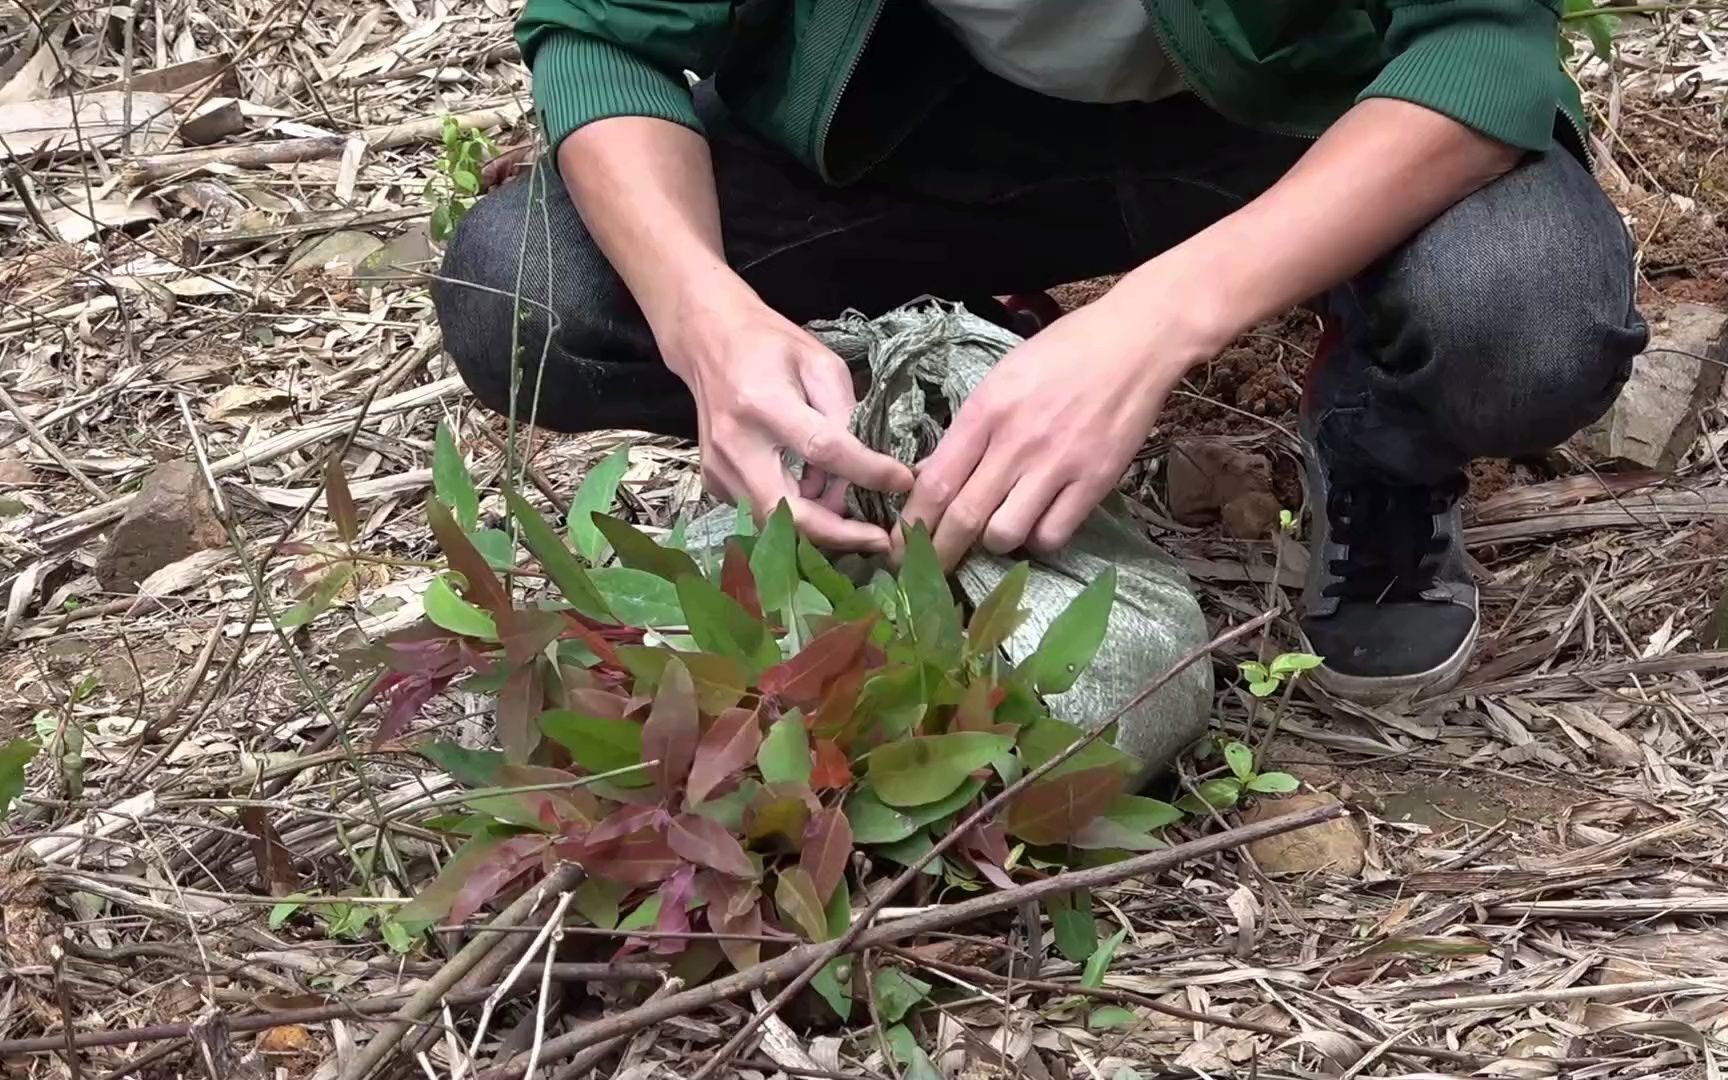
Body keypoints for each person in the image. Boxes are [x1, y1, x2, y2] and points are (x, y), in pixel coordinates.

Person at [432, 1, 1647, 701]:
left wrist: (1159, 319)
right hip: (919, 133)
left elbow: (1483, 48)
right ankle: (947, 361)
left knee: (1521, 319)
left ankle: (1380, 435)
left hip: (1311, 121)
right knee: (527, 293)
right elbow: (603, 34)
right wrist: (708, 323)